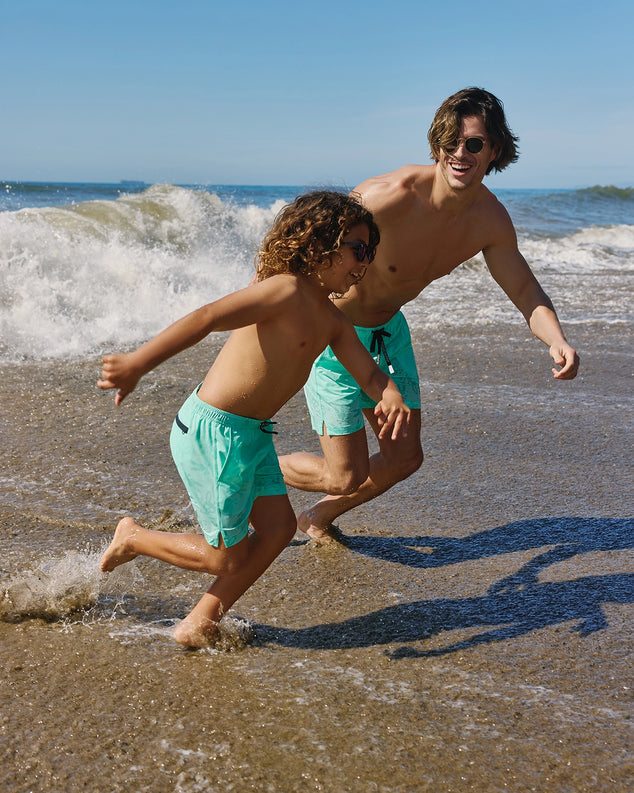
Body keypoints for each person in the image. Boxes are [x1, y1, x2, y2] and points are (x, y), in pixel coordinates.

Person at [97, 190, 411, 647]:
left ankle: (200, 620)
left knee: (280, 529)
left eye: (370, 253)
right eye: (358, 249)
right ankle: (134, 538)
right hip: (214, 431)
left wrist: (391, 393)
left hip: (253, 436)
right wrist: (138, 363)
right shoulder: (282, 290)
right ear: (318, 244)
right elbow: (207, 317)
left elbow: (369, 374)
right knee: (224, 557)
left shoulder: (333, 320)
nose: (365, 263)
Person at [279, 87, 580, 543]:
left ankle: (316, 517)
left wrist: (556, 338)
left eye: (474, 143)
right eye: (449, 142)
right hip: (334, 335)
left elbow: (523, 289)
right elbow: (297, 245)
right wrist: (265, 314)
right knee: (343, 474)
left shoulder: (489, 220)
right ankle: (251, 459)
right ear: (436, 145)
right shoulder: (386, 198)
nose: (460, 153)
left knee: (404, 458)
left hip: (388, 336)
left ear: (495, 150)